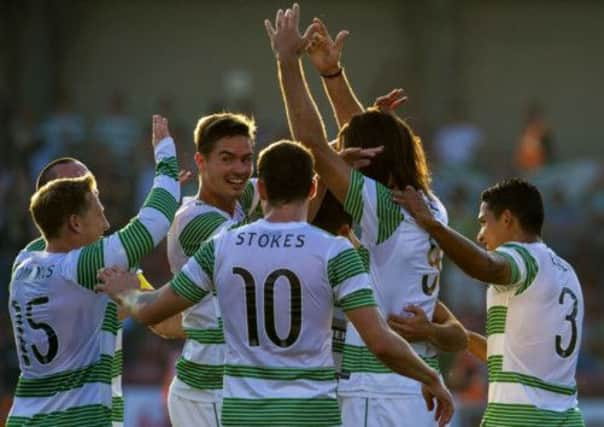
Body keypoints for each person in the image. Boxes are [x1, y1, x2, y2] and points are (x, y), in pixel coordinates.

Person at [96, 141, 454, 427]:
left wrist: (124, 290)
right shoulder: (335, 253)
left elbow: (151, 310)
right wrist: (430, 377)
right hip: (311, 415)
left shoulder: (222, 248)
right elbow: (381, 342)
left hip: (242, 415)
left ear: (261, 187)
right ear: (314, 187)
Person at [265, 6, 454, 425]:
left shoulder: (386, 211)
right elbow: (364, 140)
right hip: (416, 384)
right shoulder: (426, 205)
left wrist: (288, 63)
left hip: (377, 388)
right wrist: (333, 77)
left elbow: (312, 144)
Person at [7, 115, 180, 426]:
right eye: (89, 195)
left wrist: (134, 297)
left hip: (25, 417)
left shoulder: (24, 262)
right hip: (79, 419)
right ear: (67, 212)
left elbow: (150, 315)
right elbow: (154, 221)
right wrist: (165, 158)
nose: (103, 208)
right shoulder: (84, 266)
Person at [393, 178, 585, 426]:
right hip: (567, 418)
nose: (480, 235)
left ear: (507, 219)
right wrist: (442, 329)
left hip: (519, 417)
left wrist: (432, 225)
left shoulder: (523, 256)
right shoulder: (565, 271)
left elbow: (485, 267)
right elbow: (506, 357)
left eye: (484, 222)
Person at [160, 112, 260, 427]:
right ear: (201, 162)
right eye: (227, 159)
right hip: (207, 392)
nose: (240, 170)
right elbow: (252, 249)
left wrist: (345, 145)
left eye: (247, 160)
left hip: (233, 387)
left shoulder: (237, 200)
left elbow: (292, 174)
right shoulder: (194, 220)